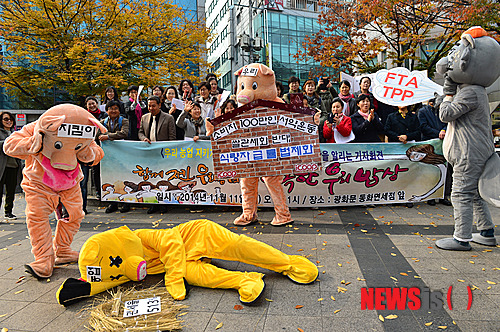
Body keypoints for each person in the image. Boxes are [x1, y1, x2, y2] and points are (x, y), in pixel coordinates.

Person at [138, 96, 175, 214]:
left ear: (159, 105)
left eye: (153, 105)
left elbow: (172, 138)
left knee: (163, 180)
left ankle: (163, 204)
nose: (151, 108)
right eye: (149, 106)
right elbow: (140, 132)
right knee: (150, 179)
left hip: (163, 154)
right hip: (149, 154)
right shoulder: (144, 117)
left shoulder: (168, 118)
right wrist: (144, 139)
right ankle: (152, 204)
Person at [98, 100, 130, 213]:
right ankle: (112, 203)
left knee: (124, 177)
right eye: (110, 108)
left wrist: (107, 136)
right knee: (110, 177)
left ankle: (126, 203)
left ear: (119, 110)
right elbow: (97, 135)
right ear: (106, 110)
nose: (113, 111)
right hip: (108, 157)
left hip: (122, 154)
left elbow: (124, 133)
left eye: (115, 108)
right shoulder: (102, 122)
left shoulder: (124, 120)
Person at [418, 98, 451, 206]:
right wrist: (438, 133)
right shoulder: (423, 112)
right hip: (430, 144)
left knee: (445, 170)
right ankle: (431, 197)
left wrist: (444, 130)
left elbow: (449, 122)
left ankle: (444, 196)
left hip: (443, 144)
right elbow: (423, 127)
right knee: (431, 170)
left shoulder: (443, 111)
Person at [81, 96, 107, 214]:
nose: (91, 105)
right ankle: (83, 206)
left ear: (97, 104)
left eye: (93, 103)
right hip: (85, 151)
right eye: (89, 104)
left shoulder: (104, 115)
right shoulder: (82, 117)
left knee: (102, 170)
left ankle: (102, 192)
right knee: (87, 177)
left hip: (102, 147)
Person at [0, 111, 22, 220]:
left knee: (11, 191)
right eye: (6, 119)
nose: (9, 121)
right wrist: (7, 142)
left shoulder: (15, 133)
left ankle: (8, 212)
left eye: (10, 119)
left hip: (13, 166)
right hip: (2, 167)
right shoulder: (1, 132)